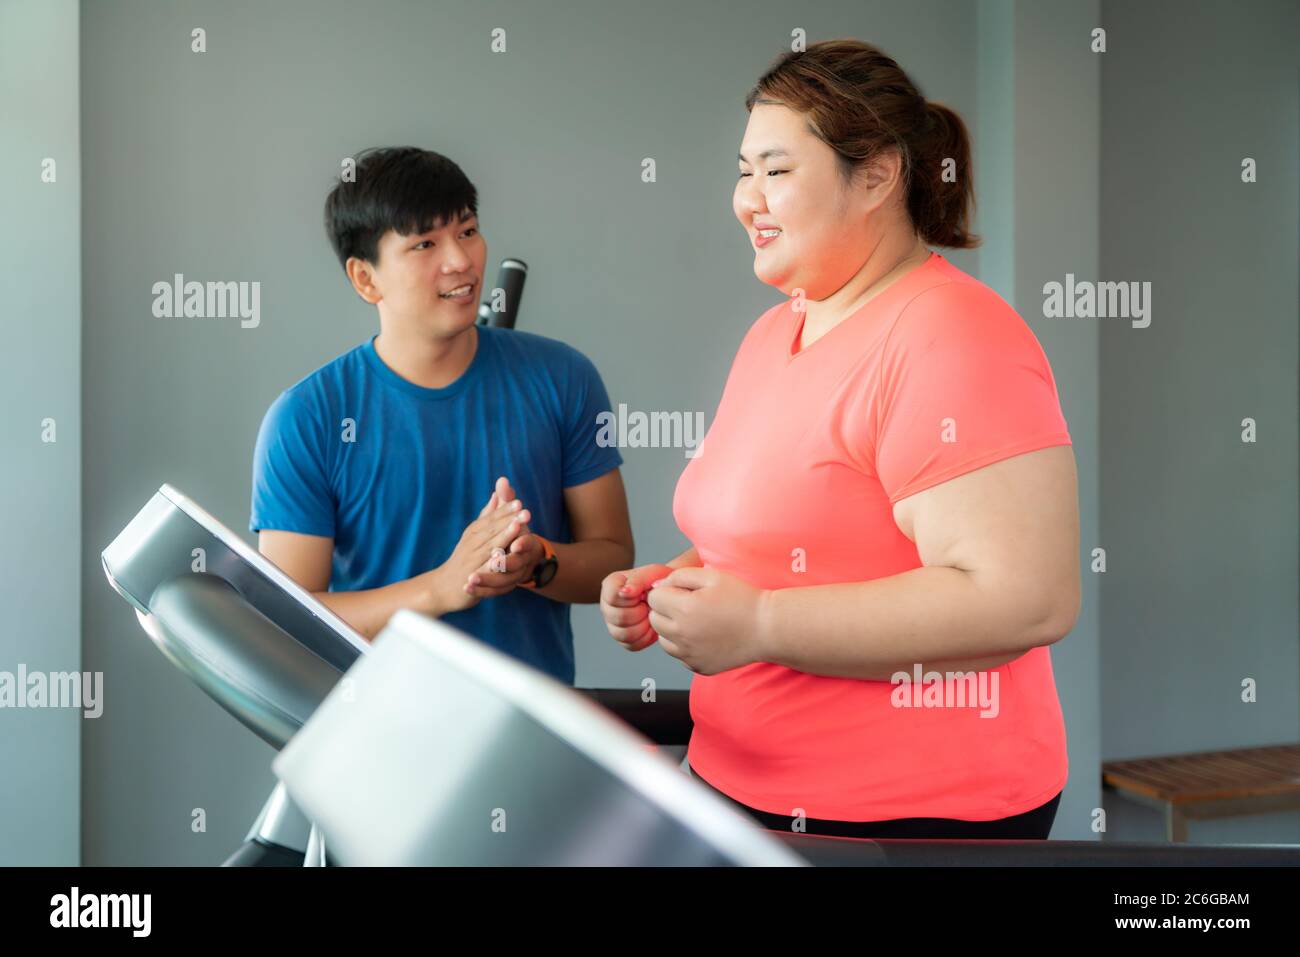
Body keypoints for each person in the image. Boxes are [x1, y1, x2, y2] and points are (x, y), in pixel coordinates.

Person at [600, 40, 1079, 839]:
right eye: (743, 169)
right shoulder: (775, 330)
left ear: (880, 176)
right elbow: (788, 537)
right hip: (739, 783)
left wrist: (757, 624)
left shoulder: (953, 337)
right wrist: (679, 584)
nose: (747, 197)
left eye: (776, 170)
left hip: (904, 820)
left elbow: (1024, 597)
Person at [252, 146, 633, 684]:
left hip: (528, 733)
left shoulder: (564, 378)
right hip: (376, 737)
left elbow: (612, 560)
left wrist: (538, 562)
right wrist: (441, 587)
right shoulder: (306, 419)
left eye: (468, 230)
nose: (460, 260)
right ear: (366, 279)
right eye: (425, 243)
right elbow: (289, 620)